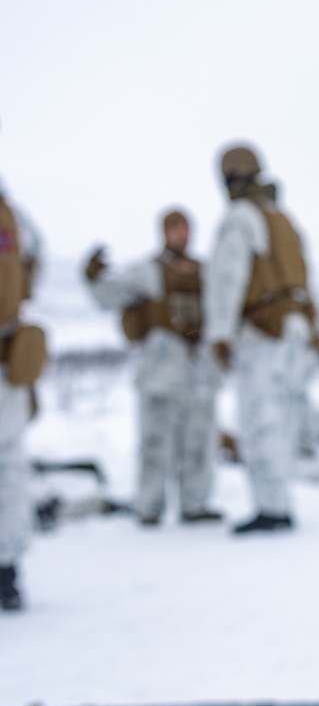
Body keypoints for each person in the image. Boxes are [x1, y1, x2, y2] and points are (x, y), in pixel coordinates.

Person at [83, 210, 221, 526]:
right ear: (164, 232)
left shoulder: (206, 272)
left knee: (199, 445)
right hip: (159, 374)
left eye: (186, 227)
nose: (182, 234)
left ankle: (195, 504)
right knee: (155, 446)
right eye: (175, 228)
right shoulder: (146, 272)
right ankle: (149, 506)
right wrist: (93, 277)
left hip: (198, 373)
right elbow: (110, 296)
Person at [204, 143, 313, 533]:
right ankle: (279, 501)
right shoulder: (281, 217)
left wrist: (219, 332)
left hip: (262, 330)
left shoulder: (240, 217)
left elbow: (226, 278)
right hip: (292, 326)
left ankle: (272, 506)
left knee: (259, 419)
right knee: (281, 419)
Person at [0, 184, 45, 610]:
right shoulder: (13, 216)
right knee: (9, 465)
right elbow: (35, 261)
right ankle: (8, 573)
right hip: (7, 350)